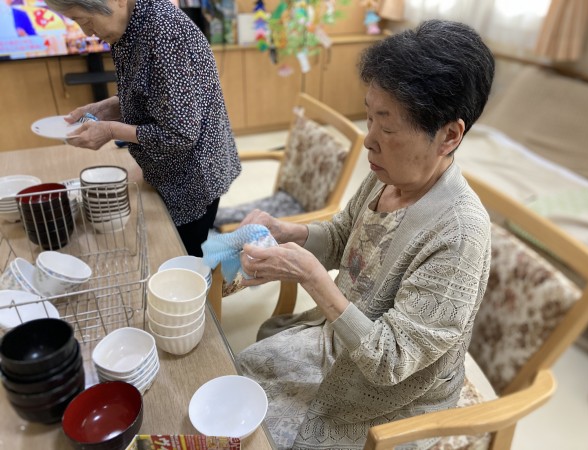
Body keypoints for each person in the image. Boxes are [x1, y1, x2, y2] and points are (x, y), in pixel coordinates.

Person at [235, 19, 495, 449]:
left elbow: (391, 360)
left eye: (387, 128)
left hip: (393, 394)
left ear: (449, 136)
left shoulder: (459, 235)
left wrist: (311, 277)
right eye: (369, 116)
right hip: (341, 339)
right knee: (241, 373)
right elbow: (344, 237)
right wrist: (287, 232)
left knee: (261, 433)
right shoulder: (387, 175)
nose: (368, 140)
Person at [44, 0, 241, 257]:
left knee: (184, 258)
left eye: (85, 20)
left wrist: (111, 131)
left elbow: (179, 134)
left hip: (191, 178)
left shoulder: (164, 33)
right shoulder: (132, 26)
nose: (87, 33)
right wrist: (108, 107)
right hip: (168, 171)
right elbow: (156, 96)